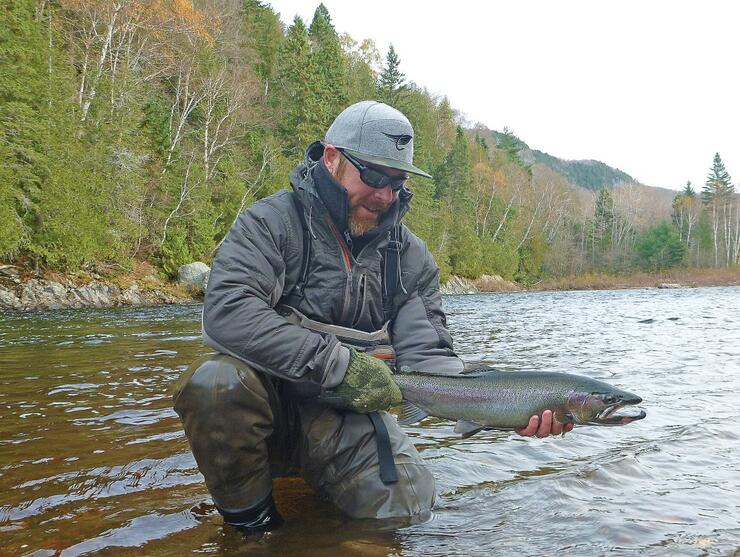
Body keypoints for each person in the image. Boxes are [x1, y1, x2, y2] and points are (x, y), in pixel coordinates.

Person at [173, 101, 572, 535]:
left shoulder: (411, 258)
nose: (385, 195)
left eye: (397, 182)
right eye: (374, 176)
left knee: (408, 512)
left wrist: (508, 409)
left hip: (345, 418)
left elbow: (429, 358)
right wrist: (336, 365)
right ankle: (251, 529)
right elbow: (228, 314)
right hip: (266, 410)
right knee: (215, 381)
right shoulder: (269, 224)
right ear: (331, 158)